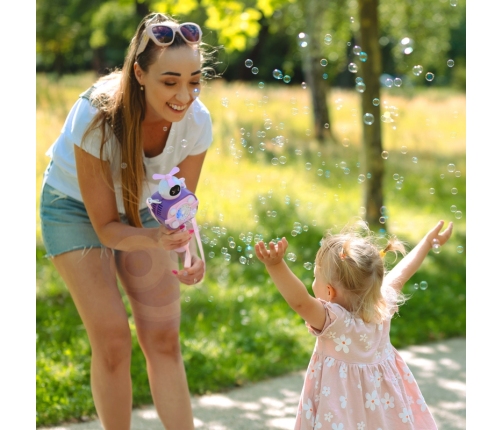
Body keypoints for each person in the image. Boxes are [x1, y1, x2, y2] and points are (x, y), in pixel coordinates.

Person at [39, 12, 218, 430]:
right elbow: (105, 229)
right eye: (170, 81)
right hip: (75, 210)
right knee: (114, 340)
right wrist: (156, 239)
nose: (184, 95)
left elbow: (178, 204)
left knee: (162, 338)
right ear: (139, 73)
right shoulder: (95, 116)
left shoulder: (197, 122)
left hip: (146, 206)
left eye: (194, 81)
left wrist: (186, 246)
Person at [255, 219, 453, 429]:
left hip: (341, 408)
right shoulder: (380, 305)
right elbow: (403, 272)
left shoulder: (335, 321)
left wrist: (275, 265)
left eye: (315, 278)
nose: (312, 283)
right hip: (382, 405)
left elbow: (300, 302)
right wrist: (427, 242)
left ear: (329, 292)